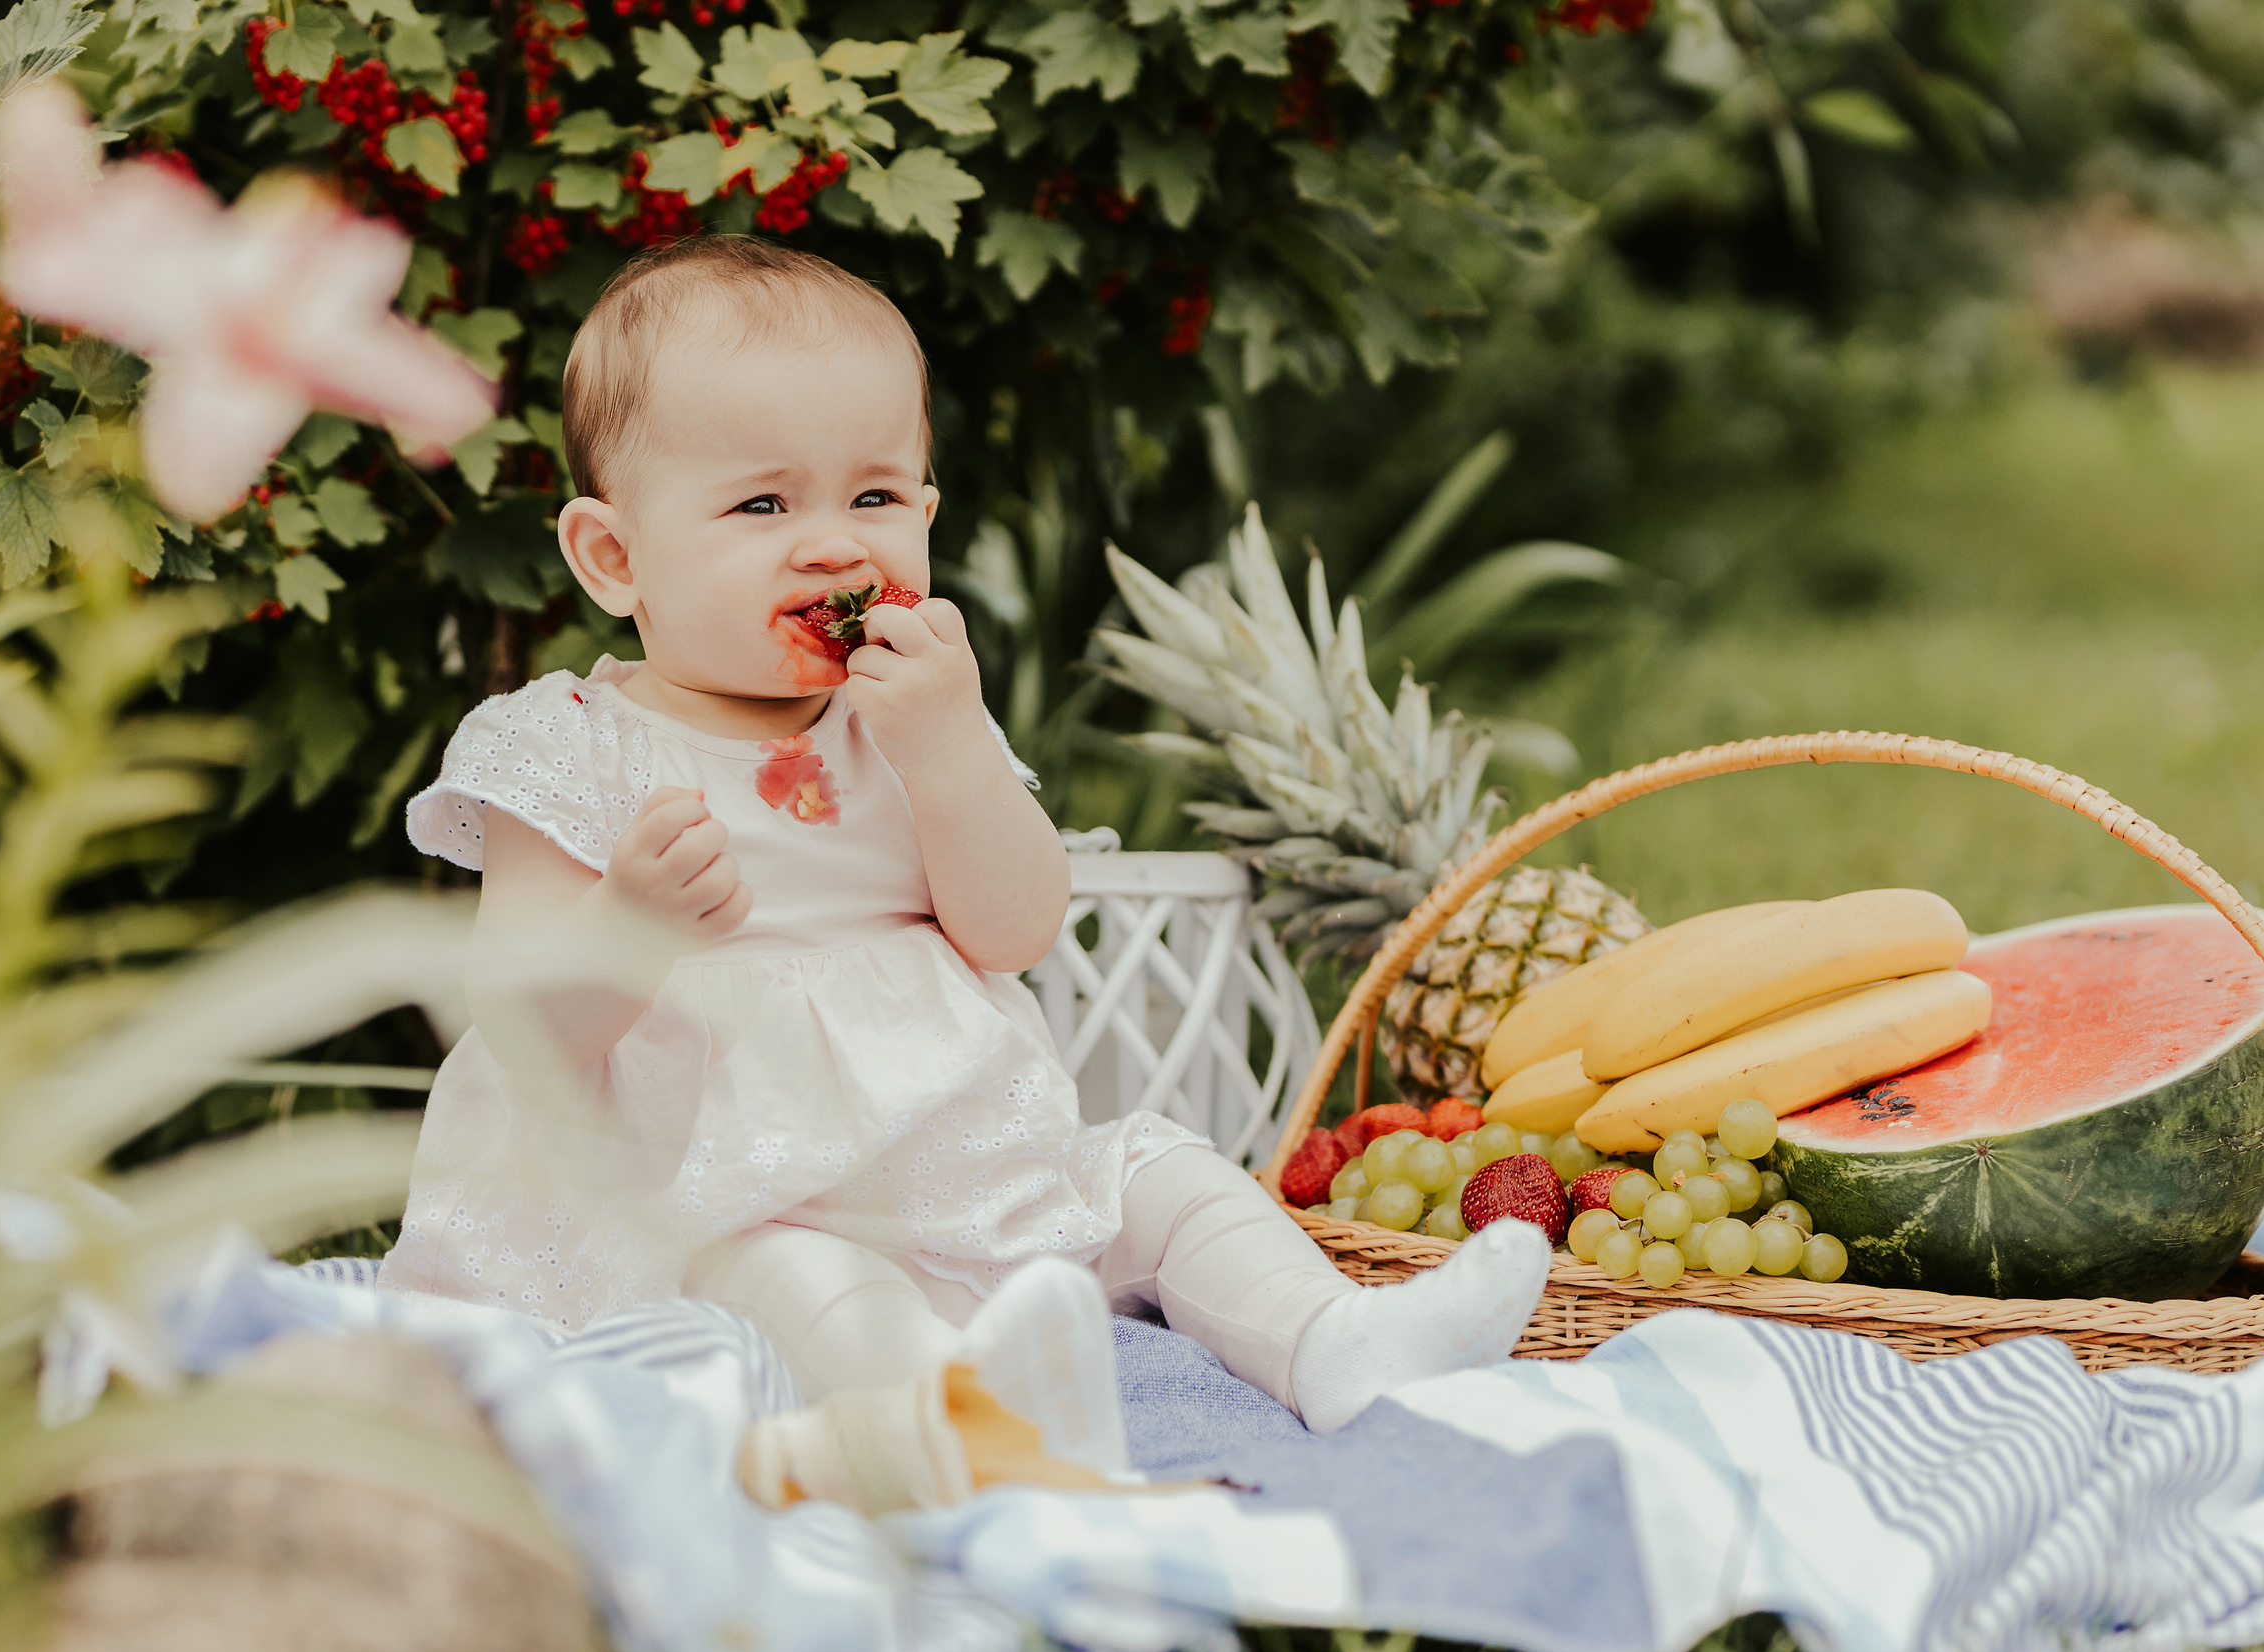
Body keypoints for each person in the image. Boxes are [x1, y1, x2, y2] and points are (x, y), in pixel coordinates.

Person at [378, 236, 1547, 1500]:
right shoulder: (570, 749)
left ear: (926, 514)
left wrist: (945, 750)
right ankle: (957, 1429)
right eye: (764, 505)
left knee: (1165, 1179)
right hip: (721, 1208)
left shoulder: (915, 714)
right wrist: (631, 927)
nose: (834, 547)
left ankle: (1339, 1344)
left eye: (874, 499)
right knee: (815, 1282)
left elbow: (1012, 929)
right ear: (615, 558)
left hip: (962, 1169)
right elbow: (521, 1024)